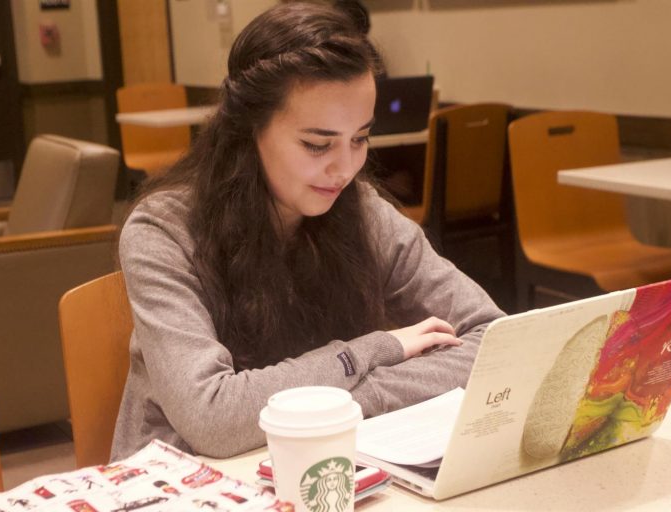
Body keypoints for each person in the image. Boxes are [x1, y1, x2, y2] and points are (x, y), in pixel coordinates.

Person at [111, 1, 504, 461]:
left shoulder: (362, 211)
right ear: (248, 129)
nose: (345, 168)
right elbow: (213, 419)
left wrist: (354, 394)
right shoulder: (163, 231)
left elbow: (494, 339)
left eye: (359, 139)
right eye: (317, 144)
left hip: (321, 462)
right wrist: (377, 349)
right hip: (183, 481)